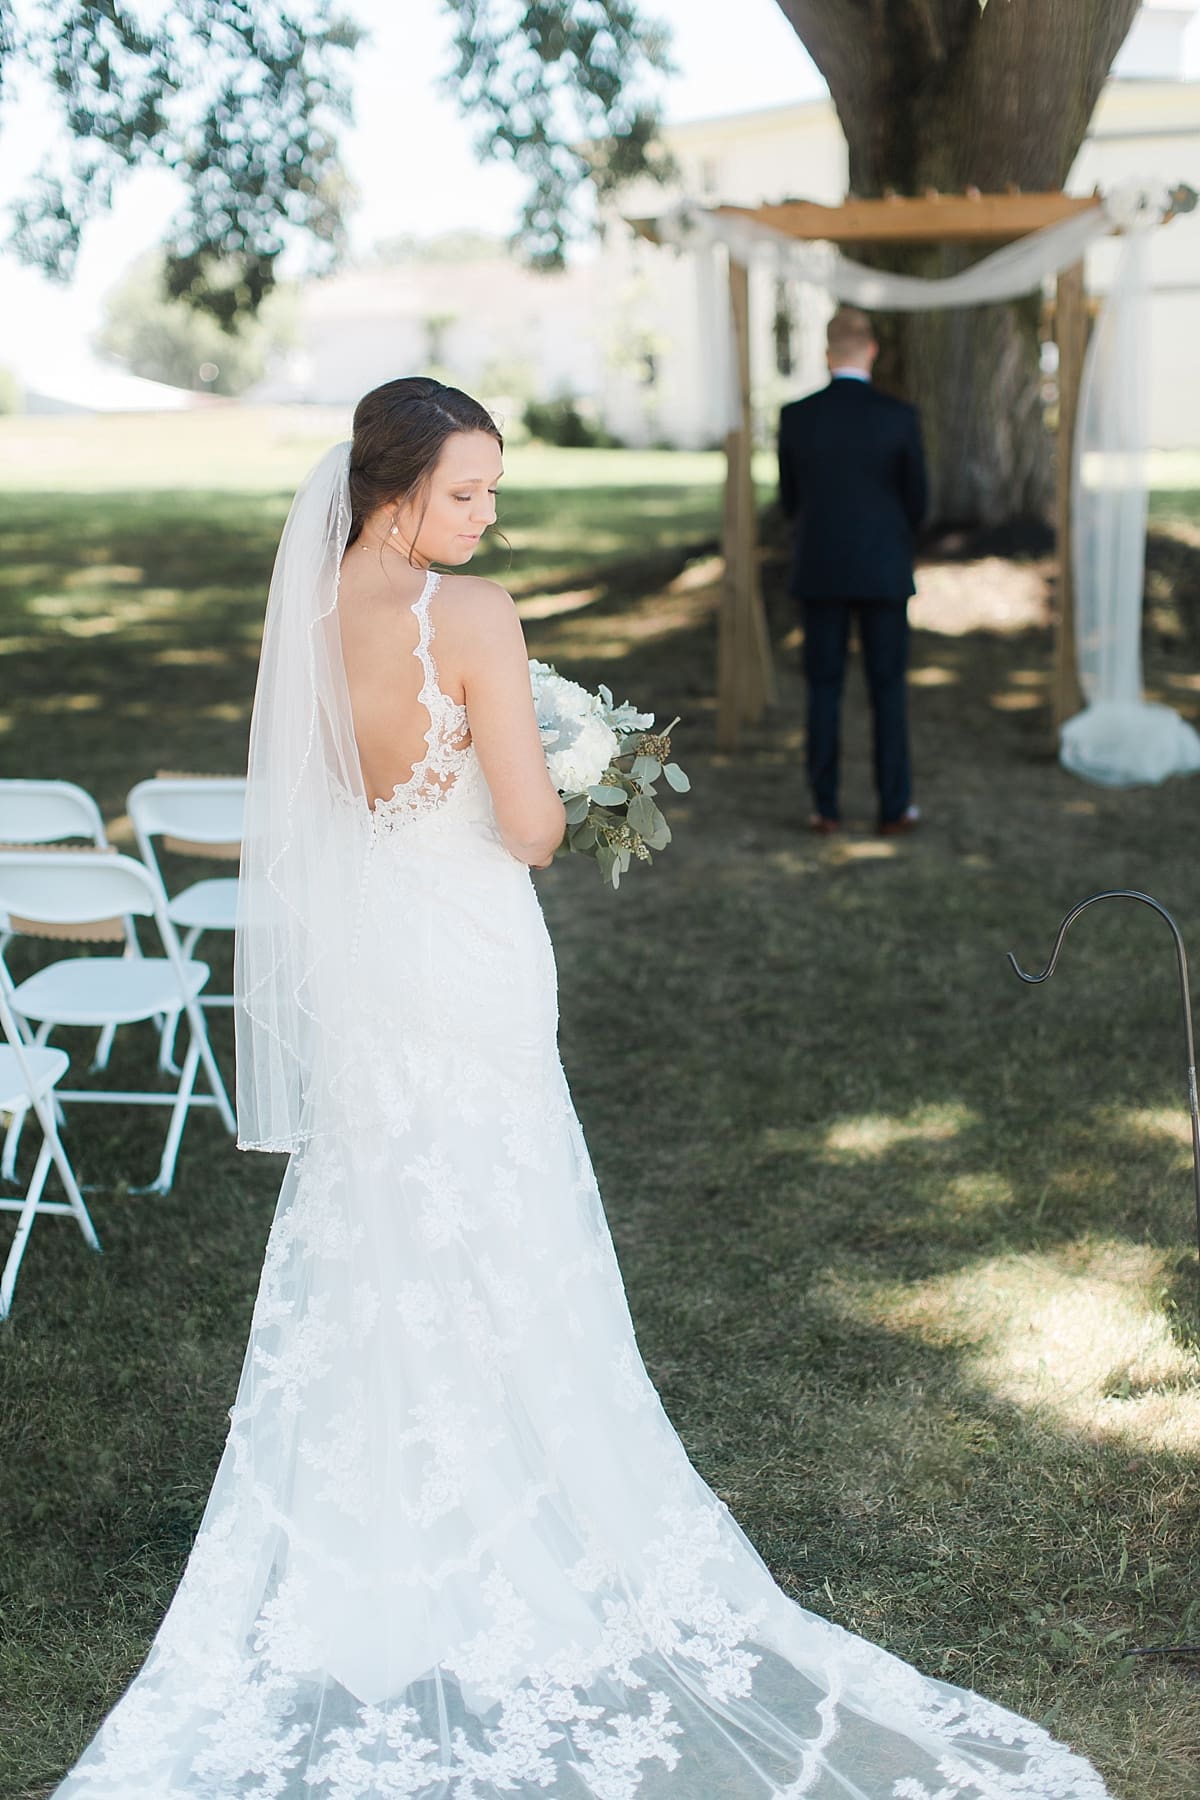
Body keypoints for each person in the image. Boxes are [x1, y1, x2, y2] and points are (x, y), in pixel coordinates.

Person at [52, 377, 1108, 1798]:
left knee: (378, 1215)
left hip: (370, 953)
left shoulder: (304, 618)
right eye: (467, 493)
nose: (489, 517)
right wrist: (573, 763)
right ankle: (521, 1499)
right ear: (391, 488)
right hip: (471, 947)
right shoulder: (470, 621)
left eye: (496, 491)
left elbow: (330, 799)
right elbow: (534, 833)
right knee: (501, 1211)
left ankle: (388, 1525)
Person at [779, 306, 927, 836]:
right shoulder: (899, 416)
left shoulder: (796, 416)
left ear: (826, 354)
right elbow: (918, 502)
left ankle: (825, 807)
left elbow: (789, 500)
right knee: (888, 689)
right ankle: (895, 807)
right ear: (871, 351)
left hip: (820, 567)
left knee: (824, 689)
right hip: (884, 569)